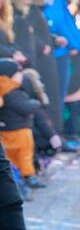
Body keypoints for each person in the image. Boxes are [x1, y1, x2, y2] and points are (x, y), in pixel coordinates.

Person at [43, 0, 80, 150]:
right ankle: (56, 137)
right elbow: (55, 24)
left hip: (65, 53)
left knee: (61, 95)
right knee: (56, 96)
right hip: (58, 53)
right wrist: (66, 44)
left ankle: (58, 135)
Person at [23, 0, 61, 132]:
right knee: (47, 97)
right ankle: (52, 135)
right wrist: (42, 46)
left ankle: (56, 133)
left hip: (47, 58)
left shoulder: (36, 9)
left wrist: (52, 40)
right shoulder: (30, 10)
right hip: (41, 60)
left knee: (52, 96)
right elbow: (29, 32)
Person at [0, 59, 45, 191]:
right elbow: (24, 107)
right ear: (9, 75)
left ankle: (16, 179)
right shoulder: (11, 91)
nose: (21, 76)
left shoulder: (5, 90)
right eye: (18, 73)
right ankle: (28, 176)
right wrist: (35, 103)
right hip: (20, 130)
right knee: (25, 155)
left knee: (10, 157)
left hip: (5, 130)